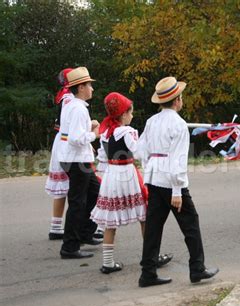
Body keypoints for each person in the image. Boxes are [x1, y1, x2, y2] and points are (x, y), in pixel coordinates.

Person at [137, 77, 219, 287]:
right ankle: (197, 269)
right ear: (177, 100)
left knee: (154, 228)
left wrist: (150, 169)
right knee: (191, 224)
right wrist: (176, 190)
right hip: (171, 182)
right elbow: (178, 160)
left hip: (154, 179)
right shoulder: (179, 124)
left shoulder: (151, 121)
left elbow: (140, 150)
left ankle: (147, 273)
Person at [90, 92, 173, 274]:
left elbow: (102, 157)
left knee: (110, 220)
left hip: (111, 175)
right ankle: (152, 257)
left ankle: (108, 262)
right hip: (127, 174)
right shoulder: (127, 132)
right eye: (131, 112)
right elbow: (137, 152)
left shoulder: (105, 132)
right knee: (144, 216)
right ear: (123, 114)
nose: (132, 116)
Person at [57, 67, 102, 259]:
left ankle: (84, 232)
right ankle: (70, 246)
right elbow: (76, 138)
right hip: (77, 160)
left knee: (95, 193)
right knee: (78, 202)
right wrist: (95, 134)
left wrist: (88, 126)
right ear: (81, 87)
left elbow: (69, 132)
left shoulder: (73, 106)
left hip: (74, 159)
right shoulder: (78, 108)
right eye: (89, 85)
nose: (92, 88)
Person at [45, 68, 73, 240]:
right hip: (67, 142)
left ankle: (56, 226)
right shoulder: (69, 99)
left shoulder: (63, 96)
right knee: (79, 187)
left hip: (61, 140)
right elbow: (70, 125)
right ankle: (86, 227)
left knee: (62, 186)